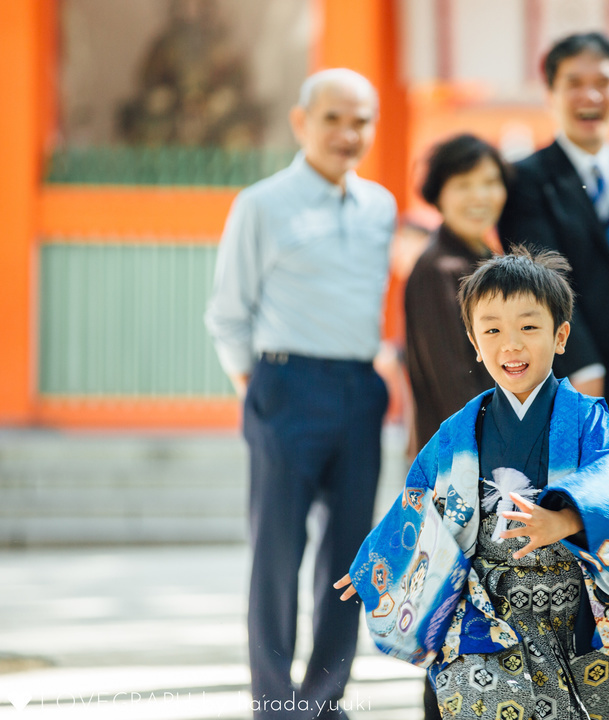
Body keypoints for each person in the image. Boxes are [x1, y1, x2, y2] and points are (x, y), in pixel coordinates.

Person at [335, 248, 609, 720]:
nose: (510, 344)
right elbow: (420, 498)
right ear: (475, 344)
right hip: (485, 612)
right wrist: (381, 562)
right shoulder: (459, 430)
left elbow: (607, 475)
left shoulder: (586, 419)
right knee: (482, 702)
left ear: (560, 336)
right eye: (492, 330)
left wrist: (562, 519)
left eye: (528, 327)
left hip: (571, 607)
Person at [205, 68, 396, 718]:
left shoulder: (380, 207)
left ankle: (323, 697)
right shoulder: (260, 204)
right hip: (284, 386)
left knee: (349, 558)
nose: (348, 133)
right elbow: (228, 312)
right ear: (301, 123)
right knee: (278, 553)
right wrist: (258, 392)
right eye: (334, 119)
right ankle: (275, 702)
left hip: (360, 391)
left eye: (361, 120)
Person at [498, 32, 609, 530]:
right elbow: (541, 276)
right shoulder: (525, 180)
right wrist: (584, 362)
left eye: (603, 83)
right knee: (571, 525)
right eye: (574, 83)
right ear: (550, 93)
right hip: (572, 383)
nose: (590, 96)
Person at [406, 134, 506, 451]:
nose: (480, 197)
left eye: (490, 183)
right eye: (463, 185)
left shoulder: (488, 259)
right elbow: (454, 383)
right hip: (466, 457)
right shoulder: (438, 271)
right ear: (439, 195)